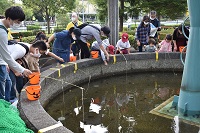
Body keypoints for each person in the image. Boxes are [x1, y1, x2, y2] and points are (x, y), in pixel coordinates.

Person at [0, 6, 32, 101]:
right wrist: (23, 70)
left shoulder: (2, 26)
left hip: (2, 62)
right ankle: (4, 111)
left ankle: (7, 105)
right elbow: (7, 57)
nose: (18, 24)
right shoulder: (2, 32)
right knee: (3, 91)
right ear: (8, 18)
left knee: (8, 84)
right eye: (17, 22)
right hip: (1, 63)